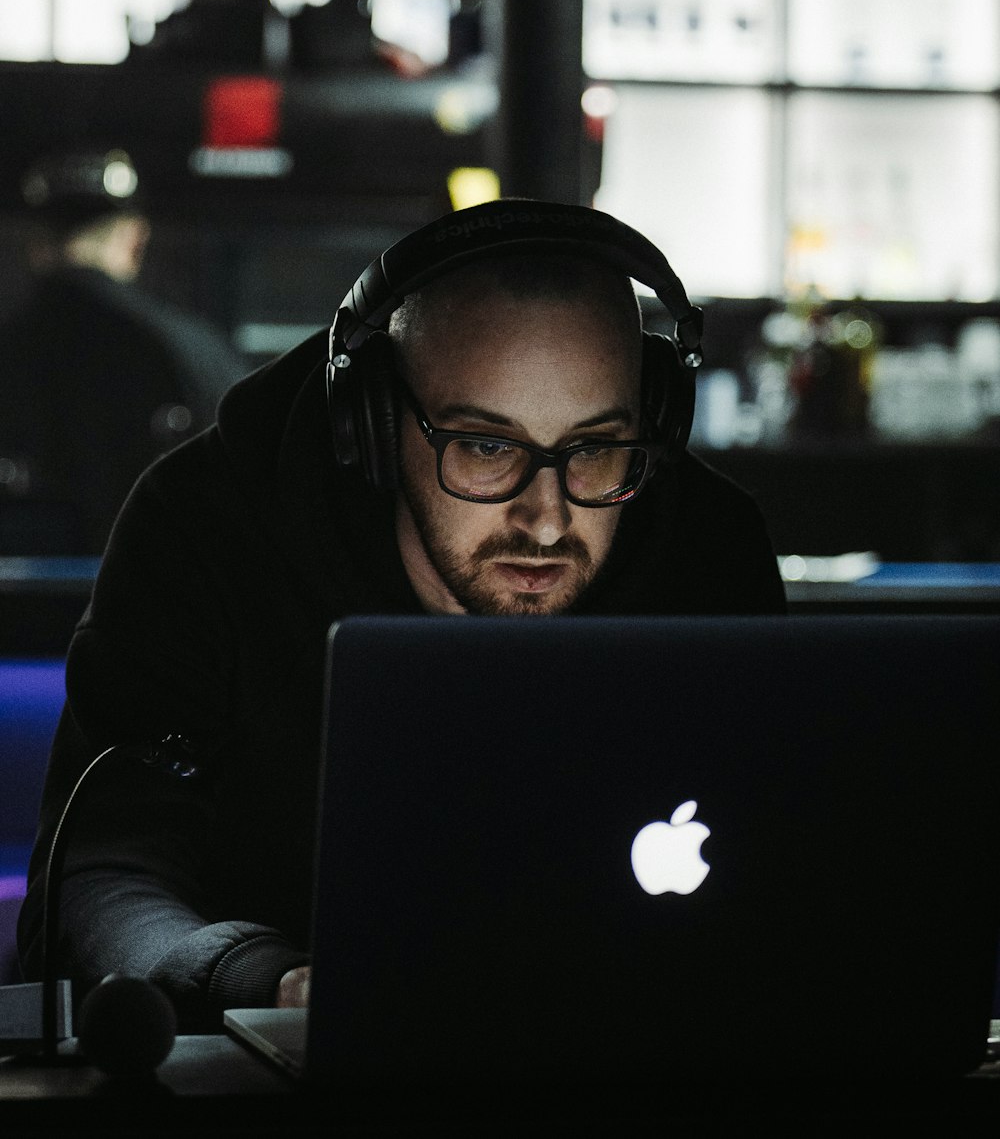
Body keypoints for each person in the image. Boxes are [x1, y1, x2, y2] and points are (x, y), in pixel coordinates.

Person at [17, 199, 785, 1032]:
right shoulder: (205, 526)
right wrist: (267, 983)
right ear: (374, 424)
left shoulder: (707, 546)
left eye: (596, 445)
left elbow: (793, 857)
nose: (548, 518)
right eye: (488, 447)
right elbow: (99, 875)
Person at [0, 149, 247, 555]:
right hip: (156, 605)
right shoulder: (193, 353)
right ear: (135, 240)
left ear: (34, 245)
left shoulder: (11, 350)